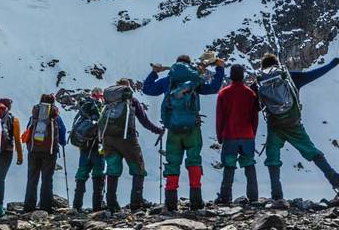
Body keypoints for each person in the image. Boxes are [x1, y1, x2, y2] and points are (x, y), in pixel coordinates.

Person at [143, 54, 225, 211]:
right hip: (192, 128)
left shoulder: (168, 81)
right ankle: (196, 202)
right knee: (194, 161)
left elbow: (147, 89)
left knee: (173, 164)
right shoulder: (194, 80)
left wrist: (154, 72)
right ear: (189, 66)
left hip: (173, 129)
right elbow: (214, 87)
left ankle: (171, 204)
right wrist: (220, 68)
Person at [255, 53, 339, 201]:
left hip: (275, 127)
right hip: (294, 125)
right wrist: (332, 63)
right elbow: (314, 74)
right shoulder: (289, 77)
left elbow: (254, 106)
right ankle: (336, 182)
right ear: (277, 65)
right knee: (313, 153)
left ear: (262, 67)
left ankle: (277, 197)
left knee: (273, 159)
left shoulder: (260, 83)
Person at [99, 78, 164, 213]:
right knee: (138, 168)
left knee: (112, 170)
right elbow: (144, 120)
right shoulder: (132, 101)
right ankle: (136, 201)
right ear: (127, 89)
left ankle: (111, 203)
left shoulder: (108, 102)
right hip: (127, 139)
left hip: (108, 139)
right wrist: (157, 130)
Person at [215, 64, 259, 204]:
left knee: (229, 166)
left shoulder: (224, 93)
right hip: (247, 136)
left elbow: (220, 118)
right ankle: (253, 197)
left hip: (230, 135)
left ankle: (225, 197)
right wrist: (252, 134)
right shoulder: (250, 94)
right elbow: (255, 118)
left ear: (231, 76)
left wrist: (220, 137)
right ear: (243, 76)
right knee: (249, 165)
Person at [23, 94, 67, 213]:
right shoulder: (55, 116)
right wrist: (62, 143)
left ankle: (29, 206)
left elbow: (28, 130)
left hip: (33, 151)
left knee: (32, 178)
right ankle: (46, 206)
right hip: (49, 152)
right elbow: (62, 131)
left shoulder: (34, 115)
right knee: (47, 179)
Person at [72, 87, 105, 212]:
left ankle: (76, 206)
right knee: (98, 176)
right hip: (98, 147)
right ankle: (97, 206)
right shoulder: (100, 107)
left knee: (81, 175)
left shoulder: (84, 108)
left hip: (84, 147)